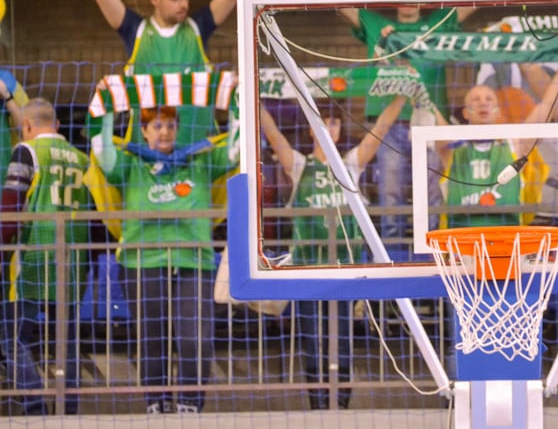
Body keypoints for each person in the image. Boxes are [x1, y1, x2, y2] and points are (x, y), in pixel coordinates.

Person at [259, 91, 410, 410]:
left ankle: (340, 404)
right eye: (322, 123)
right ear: (312, 129)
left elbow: (380, 130)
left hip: (345, 273)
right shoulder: (301, 166)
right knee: (313, 343)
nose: (329, 128)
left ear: (340, 129)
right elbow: (272, 134)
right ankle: (317, 405)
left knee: (341, 344)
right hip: (309, 273)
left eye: (334, 122)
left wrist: (401, 95)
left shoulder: (350, 166)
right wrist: (251, 97)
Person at [92, 104, 239, 413]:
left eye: (170, 126)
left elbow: (237, 151)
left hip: (193, 261)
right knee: (151, 339)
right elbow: (102, 153)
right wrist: (106, 111)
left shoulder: (200, 160)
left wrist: (239, 103)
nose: (165, 132)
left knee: (195, 339)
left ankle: (189, 404)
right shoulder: (131, 164)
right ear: (143, 131)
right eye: (157, 126)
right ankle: (156, 404)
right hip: (141, 263)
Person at [85, 0, 269, 145]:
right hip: (146, 153)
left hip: (198, 152)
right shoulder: (136, 30)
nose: (184, 4)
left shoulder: (198, 27)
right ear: (155, 0)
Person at [333, 0, 476, 260]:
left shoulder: (437, 23)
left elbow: (479, 0)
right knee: (390, 188)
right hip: (389, 124)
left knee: (433, 187)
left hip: (430, 120)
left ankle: (435, 251)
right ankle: (392, 256)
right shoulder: (377, 25)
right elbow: (336, 2)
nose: (409, 0)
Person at [1, 98, 90, 415]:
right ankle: (69, 408)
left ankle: (36, 405)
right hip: (73, 261)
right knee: (67, 340)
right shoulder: (81, 158)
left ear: (25, 126)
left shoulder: (26, 151)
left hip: (33, 259)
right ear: (58, 125)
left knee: (14, 337)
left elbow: (11, 202)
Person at [435, 59, 558, 228]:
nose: (483, 102)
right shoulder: (451, 149)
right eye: (476, 99)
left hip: (508, 242)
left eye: (489, 98)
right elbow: (427, 107)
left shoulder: (514, 145)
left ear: (498, 111)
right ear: (465, 112)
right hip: (462, 245)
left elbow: (548, 105)